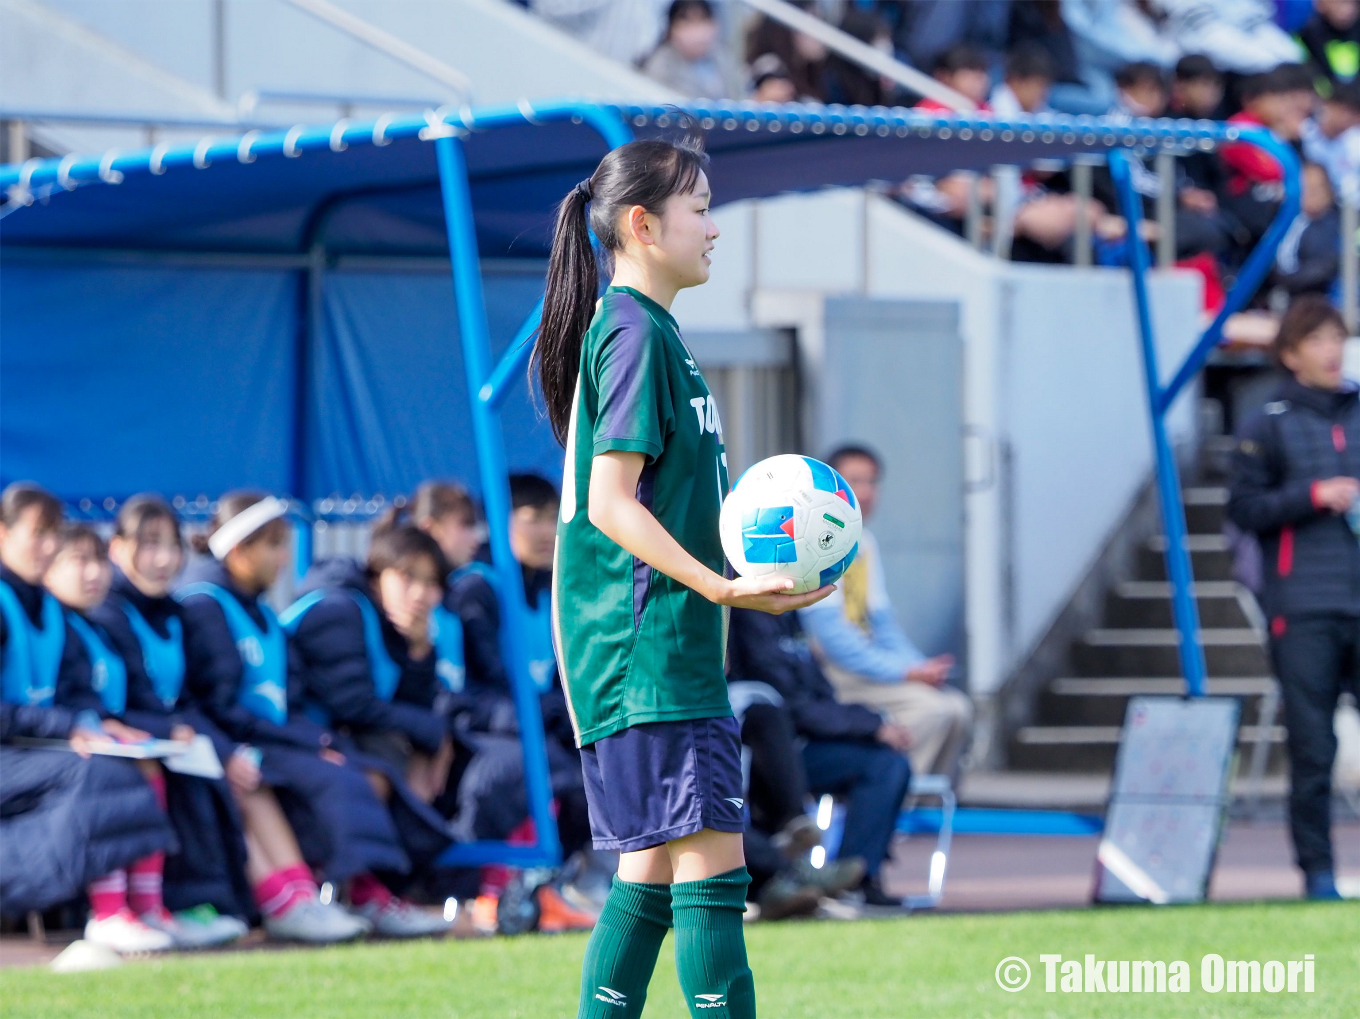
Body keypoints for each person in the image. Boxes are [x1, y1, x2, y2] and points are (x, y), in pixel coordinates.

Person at [535, 134, 831, 1018]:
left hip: (655, 653)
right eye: (699, 207)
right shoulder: (630, 334)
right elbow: (610, 503)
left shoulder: (648, 330)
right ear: (641, 223)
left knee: (652, 882)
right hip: (651, 655)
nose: (713, 227)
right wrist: (718, 585)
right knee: (711, 885)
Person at [179, 491, 439, 941]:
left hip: (267, 738)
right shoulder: (205, 607)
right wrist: (266, 747)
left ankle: (363, 893)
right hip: (236, 743)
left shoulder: (260, 611)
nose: (285, 557)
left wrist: (319, 742)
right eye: (274, 545)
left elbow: (288, 700)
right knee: (330, 779)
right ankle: (301, 899)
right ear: (239, 550)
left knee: (355, 769)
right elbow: (215, 704)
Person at [47, 522, 248, 949]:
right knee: (118, 772)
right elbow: (62, 695)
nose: (93, 573)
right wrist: (90, 724)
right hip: (58, 746)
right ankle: (108, 911)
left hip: (101, 737)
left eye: (98, 561)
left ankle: (149, 906)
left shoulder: (97, 624)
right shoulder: (56, 623)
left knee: (168, 765)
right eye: (79, 561)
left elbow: (120, 697)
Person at [0, 483, 175, 952]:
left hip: (31, 747)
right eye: (37, 533)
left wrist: (98, 721)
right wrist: (66, 726)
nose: (48, 546)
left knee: (137, 760)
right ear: (3, 535)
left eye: (53, 533)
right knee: (100, 772)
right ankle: (107, 913)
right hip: (11, 752)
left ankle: (146, 906)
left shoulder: (52, 610)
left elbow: (75, 690)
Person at [1227, 296, 1360, 902]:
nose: (1332, 350)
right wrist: (1312, 495)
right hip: (1303, 603)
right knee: (1313, 747)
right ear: (1290, 353)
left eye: (1337, 337)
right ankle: (1318, 873)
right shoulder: (1267, 421)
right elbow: (1244, 509)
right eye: (1318, 340)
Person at [799, 445, 973, 781]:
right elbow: (834, 641)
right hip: (832, 673)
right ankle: (888, 798)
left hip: (865, 667)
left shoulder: (865, 543)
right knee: (932, 712)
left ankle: (924, 806)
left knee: (958, 708)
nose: (865, 492)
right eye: (855, 481)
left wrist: (920, 668)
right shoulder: (816, 542)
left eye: (872, 482)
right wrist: (906, 672)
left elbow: (883, 624)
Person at [727, 607, 912, 907]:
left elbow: (821, 696)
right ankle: (788, 859)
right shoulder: (745, 613)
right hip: (762, 749)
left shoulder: (790, 614)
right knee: (769, 721)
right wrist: (871, 726)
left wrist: (871, 723)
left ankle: (856, 878)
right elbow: (788, 704)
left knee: (886, 763)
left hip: (805, 743)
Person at [640, 0, 743, 100]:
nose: (696, 29)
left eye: (703, 19)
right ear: (671, 28)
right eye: (687, 20)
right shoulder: (660, 65)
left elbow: (741, 96)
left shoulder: (723, 58)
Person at [1269, 162, 1342, 300]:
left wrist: (1285, 281)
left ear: (1329, 191)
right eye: (1306, 188)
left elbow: (1324, 267)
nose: (1311, 194)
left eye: (1316, 188)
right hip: (1276, 294)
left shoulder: (1335, 225)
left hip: (1315, 298)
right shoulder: (1282, 219)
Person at [1302, 77, 1360, 205]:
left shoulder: (1356, 143)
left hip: (1343, 210)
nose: (1347, 119)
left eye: (1355, 114)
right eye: (1345, 110)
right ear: (1329, 104)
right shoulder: (1302, 133)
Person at [1297, 0, 1360, 87]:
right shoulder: (1307, 35)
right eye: (1339, 3)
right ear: (1320, 4)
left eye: (1353, 3)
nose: (1347, 10)